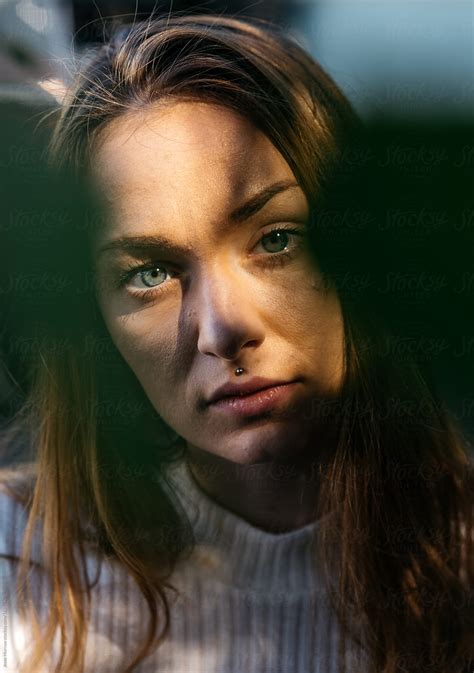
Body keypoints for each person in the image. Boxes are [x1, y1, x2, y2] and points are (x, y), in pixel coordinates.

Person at [0, 14, 472, 673]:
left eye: (276, 238)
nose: (223, 328)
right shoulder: (20, 565)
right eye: (149, 274)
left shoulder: (461, 559)